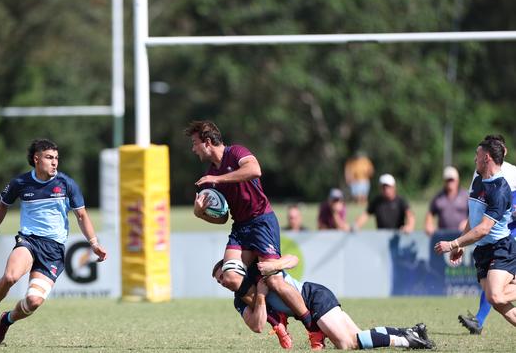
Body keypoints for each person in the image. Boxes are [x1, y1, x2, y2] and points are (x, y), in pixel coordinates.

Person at [0, 139, 107, 346]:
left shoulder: (66, 184)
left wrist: (93, 243)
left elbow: (81, 216)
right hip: (29, 240)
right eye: (49, 158)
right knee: (10, 277)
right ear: (36, 159)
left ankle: (6, 320)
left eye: (56, 158)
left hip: (53, 250)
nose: (54, 162)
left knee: (33, 301)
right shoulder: (20, 183)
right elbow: (2, 205)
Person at [184, 120, 316, 340]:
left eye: (195, 143)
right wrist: (200, 213)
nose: (193, 148)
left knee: (274, 280)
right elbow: (223, 217)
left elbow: (255, 170)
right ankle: (273, 315)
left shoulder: (235, 152)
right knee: (230, 278)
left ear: (207, 142)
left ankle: (313, 327)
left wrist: (217, 179)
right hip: (240, 228)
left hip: (262, 221)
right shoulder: (209, 178)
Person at [212, 257, 434, 350]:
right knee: (359, 336)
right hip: (314, 301)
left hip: (313, 296)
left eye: (223, 275)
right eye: (219, 280)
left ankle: (409, 341)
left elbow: (293, 260)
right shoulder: (239, 300)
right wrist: (260, 296)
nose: (223, 282)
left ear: (235, 269)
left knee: (346, 343)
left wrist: (276, 264)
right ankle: (410, 332)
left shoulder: (258, 269)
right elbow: (257, 325)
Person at [435, 136, 516, 330]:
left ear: (487, 156)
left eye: (477, 155)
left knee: (495, 295)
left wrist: (454, 244)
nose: (474, 159)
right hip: (482, 248)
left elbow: (484, 228)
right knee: (496, 299)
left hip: (503, 243)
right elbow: (475, 216)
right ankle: (479, 320)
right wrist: (462, 244)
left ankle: (478, 320)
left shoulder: (503, 185)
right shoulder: (478, 177)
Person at [424, 166, 468, 236]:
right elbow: (430, 213)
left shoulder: (466, 196)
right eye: (447, 180)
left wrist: (467, 223)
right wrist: (429, 224)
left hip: (462, 236)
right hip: (443, 237)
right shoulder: (438, 197)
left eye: (452, 180)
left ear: (457, 180)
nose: (450, 182)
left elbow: (474, 214)